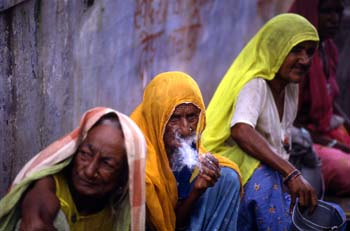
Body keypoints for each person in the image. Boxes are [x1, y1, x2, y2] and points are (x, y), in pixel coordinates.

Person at [202, 13, 320, 230]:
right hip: (231, 168)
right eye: (296, 50)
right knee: (267, 182)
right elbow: (240, 130)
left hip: (268, 170)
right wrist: (291, 172)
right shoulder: (256, 84)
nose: (304, 60)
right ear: (275, 49)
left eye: (310, 52)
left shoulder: (290, 85)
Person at [0, 107, 147, 231]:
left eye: (107, 164)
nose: (89, 171)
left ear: (124, 175)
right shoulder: (47, 190)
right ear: (74, 151)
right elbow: (38, 214)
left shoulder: (117, 214)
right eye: (85, 154)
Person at [130, 71, 241, 231]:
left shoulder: (185, 149)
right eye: (174, 118)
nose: (185, 129)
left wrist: (197, 189)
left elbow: (177, 222)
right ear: (158, 117)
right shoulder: (138, 158)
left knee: (228, 178)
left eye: (191, 117)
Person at [290, 0, 350, 196]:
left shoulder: (329, 48)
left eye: (338, 12)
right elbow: (291, 125)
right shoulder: (296, 61)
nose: (335, 20)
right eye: (327, 12)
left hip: (325, 130)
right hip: (301, 141)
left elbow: (330, 100)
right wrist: (334, 144)